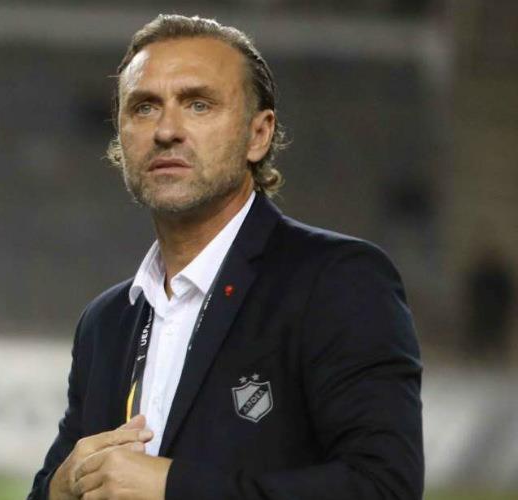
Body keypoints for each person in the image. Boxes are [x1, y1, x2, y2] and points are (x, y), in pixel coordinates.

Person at [28, 15, 422, 500]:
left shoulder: (337, 282)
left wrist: (174, 488)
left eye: (198, 104)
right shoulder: (105, 324)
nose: (166, 130)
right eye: (144, 107)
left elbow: (383, 487)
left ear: (259, 135)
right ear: (121, 138)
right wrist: (59, 489)